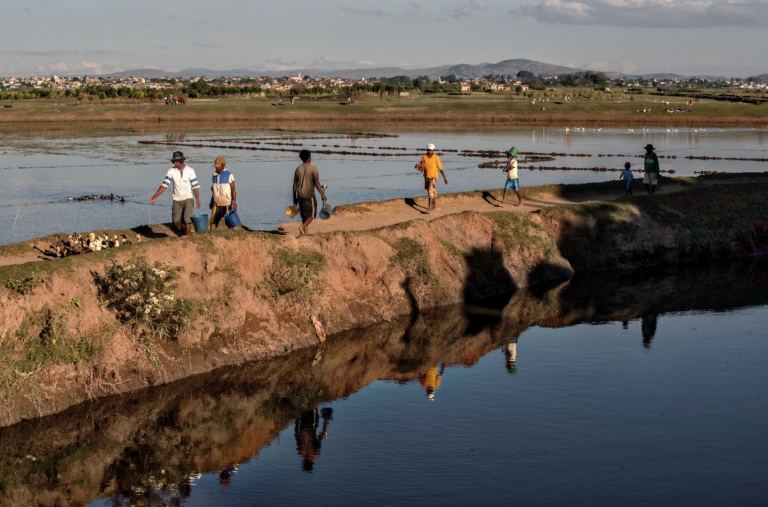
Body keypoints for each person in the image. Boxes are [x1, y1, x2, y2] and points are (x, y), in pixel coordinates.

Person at [150, 151, 201, 236]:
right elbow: (164, 185)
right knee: (176, 222)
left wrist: (197, 199)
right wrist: (155, 196)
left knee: (187, 220)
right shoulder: (171, 171)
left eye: (176, 161)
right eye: (173, 161)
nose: (175, 163)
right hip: (176, 199)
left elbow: (195, 186)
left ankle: (187, 238)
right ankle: (183, 235)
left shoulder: (190, 170)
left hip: (188, 198)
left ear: (181, 160)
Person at [293, 149, 327, 235]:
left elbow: (295, 184)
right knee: (312, 215)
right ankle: (303, 227)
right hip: (309, 195)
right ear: (309, 157)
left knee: (304, 215)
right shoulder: (313, 169)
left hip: (300, 195)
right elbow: (317, 183)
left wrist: (294, 197)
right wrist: (322, 194)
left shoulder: (298, 169)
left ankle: (305, 234)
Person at [294, 407, 333, 472]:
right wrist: (296, 421)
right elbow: (296, 434)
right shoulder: (301, 452)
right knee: (306, 408)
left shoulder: (314, 452)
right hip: (303, 425)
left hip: (312, 425)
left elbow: (320, 437)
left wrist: (325, 424)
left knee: (313, 407)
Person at [414, 143, 447, 213]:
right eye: (428, 150)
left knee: (430, 192)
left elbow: (440, 168)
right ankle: (434, 205)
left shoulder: (436, 158)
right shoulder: (424, 157)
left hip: (434, 177)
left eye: (431, 150)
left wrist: (444, 178)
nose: (429, 151)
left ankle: (429, 208)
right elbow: (420, 165)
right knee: (431, 192)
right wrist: (417, 166)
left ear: (433, 150)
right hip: (426, 177)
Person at [209, 156, 237, 229]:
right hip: (216, 203)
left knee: (230, 223)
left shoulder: (229, 175)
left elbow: (233, 189)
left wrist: (234, 201)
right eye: (216, 166)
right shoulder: (214, 175)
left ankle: (231, 234)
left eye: (218, 166)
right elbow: (214, 190)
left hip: (227, 203)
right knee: (212, 222)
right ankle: (212, 235)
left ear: (223, 165)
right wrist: (211, 201)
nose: (216, 168)